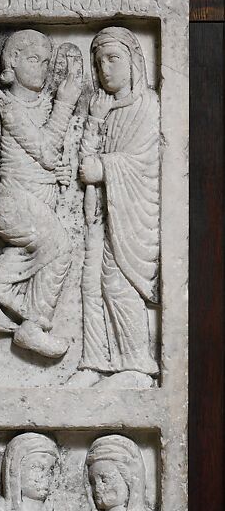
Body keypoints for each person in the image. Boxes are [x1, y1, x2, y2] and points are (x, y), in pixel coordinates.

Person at [0, 31, 82, 358]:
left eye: (46, 61)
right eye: (33, 60)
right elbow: (46, 150)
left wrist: (61, 172)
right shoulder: (10, 106)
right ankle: (33, 325)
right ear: (11, 62)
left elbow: (51, 160)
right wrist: (65, 103)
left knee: (35, 248)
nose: (42, 68)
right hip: (15, 204)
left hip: (36, 203)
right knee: (59, 245)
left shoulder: (42, 105)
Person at [78, 28, 160, 380]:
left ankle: (138, 364)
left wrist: (105, 168)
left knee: (117, 284)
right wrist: (95, 120)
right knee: (89, 285)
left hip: (133, 213)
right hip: (100, 214)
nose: (105, 69)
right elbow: (84, 163)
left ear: (134, 62)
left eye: (113, 60)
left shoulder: (149, 106)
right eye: (98, 63)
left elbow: (144, 163)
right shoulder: (102, 109)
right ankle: (94, 361)